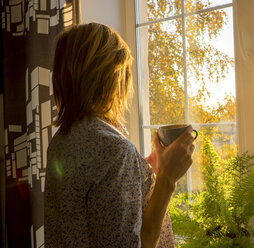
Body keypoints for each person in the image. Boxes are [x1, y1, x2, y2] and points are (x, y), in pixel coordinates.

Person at [44, 22, 195, 248]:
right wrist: (167, 180)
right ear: (111, 77)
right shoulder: (114, 150)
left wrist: (142, 169)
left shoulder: (64, 138)